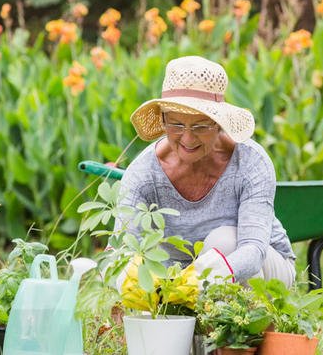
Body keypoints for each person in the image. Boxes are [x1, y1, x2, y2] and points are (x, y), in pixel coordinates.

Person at [115, 55, 296, 287]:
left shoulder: (250, 162)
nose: (188, 138)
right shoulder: (143, 174)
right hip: (180, 280)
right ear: (163, 120)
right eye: (177, 125)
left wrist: (196, 282)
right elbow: (123, 250)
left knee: (223, 243)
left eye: (200, 126)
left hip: (265, 270)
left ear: (219, 123)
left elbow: (253, 251)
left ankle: (237, 322)